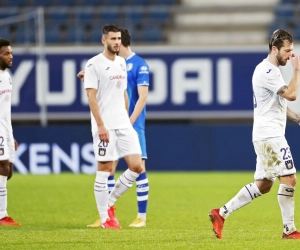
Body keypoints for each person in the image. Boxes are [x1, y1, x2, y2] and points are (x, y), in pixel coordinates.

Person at [209, 29, 300, 239]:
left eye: (292, 51)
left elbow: (278, 103)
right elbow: (292, 94)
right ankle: (290, 230)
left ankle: (221, 214)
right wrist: (296, 71)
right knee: (289, 178)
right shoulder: (267, 71)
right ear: (274, 48)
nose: (290, 55)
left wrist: (296, 118)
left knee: (264, 184)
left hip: (265, 134)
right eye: (287, 51)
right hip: (270, 135)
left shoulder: (270, 71)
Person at [78, 28, 150, 228]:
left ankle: (109, 203)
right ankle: (104, 218)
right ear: (104, 40)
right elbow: (91, 97)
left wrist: (126, 118)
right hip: (105, 125)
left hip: (123, 123)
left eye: (119, 39)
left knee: (137, 166)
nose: (117, 42)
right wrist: (100, 125)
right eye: (113, 39)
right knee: (106, 169)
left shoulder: (121, 63)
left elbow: (123, 94)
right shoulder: (93, 63)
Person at [0, 38, 21, 226]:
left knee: (9, 172)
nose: (10, 56)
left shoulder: (6, 76)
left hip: (6, 128)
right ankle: (2, 215)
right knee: (3, 167)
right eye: (6, 53)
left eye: (11, 53)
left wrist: (10, 135)